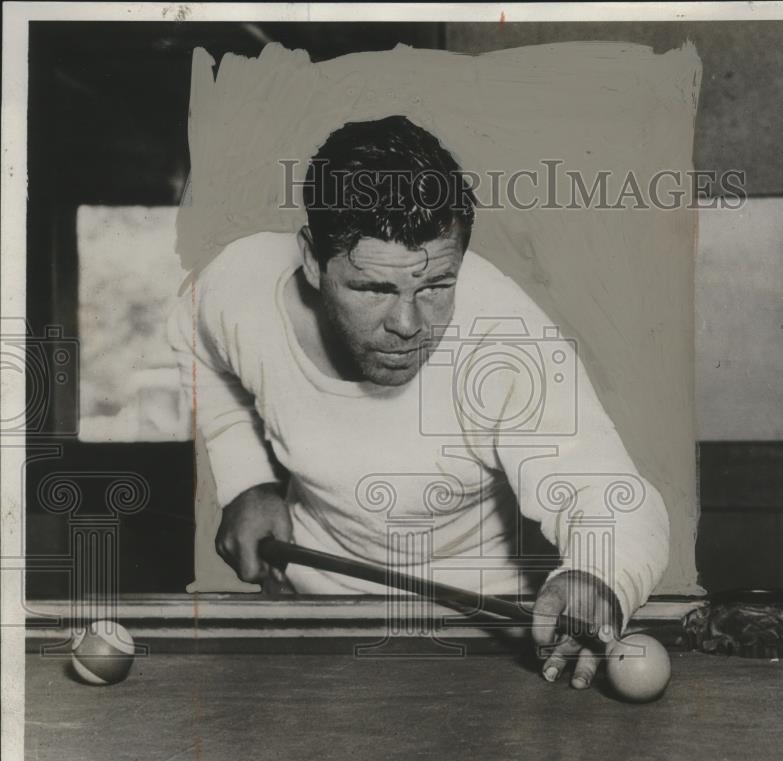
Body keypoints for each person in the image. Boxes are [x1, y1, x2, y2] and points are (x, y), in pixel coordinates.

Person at [168, 115, 670, 689]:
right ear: (311, 260)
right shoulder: (238, 288)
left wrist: (598, 576)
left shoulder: (504, 342)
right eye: (373, 289)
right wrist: (245, 478)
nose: (408, 325)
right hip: (315, 618)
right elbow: (195, 345)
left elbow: (613, 494)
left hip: (484, 633)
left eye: (435, 286)